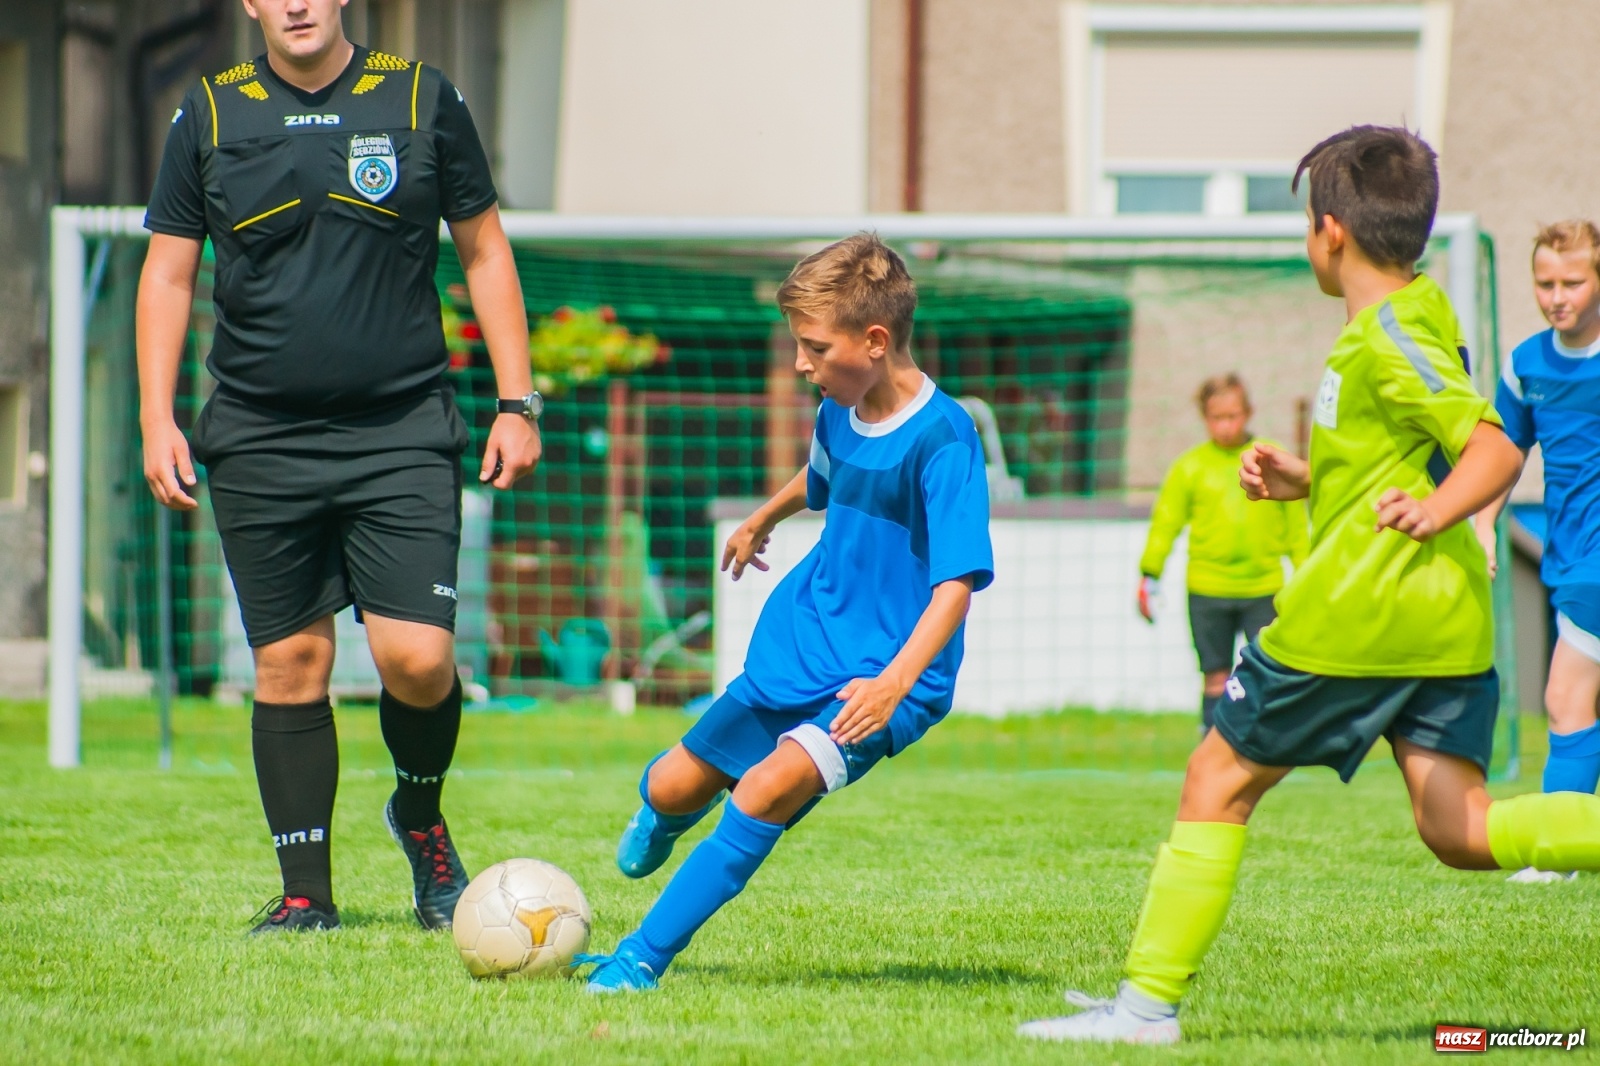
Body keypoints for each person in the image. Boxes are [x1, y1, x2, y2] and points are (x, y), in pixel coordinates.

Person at [1019, 125, 1600, 1047]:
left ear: (1331, 232)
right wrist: (1312, 480)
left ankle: (1145, 1010)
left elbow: (1488, 438)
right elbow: (1397, 450)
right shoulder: (1418, 312)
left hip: (1358, 616)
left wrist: (1440, 510)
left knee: (1215, 775)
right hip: (1440, 623)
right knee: (1461, 828)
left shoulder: (1390, 335)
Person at [137, 0, 542, 934]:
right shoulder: (207, 110)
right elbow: (168, 272)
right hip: (258, 435)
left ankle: (420, 814)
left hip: (399, 427)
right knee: (290, 662)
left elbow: (484, 249)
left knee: (418, 658)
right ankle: (306, 896)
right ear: (250, 4)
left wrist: (517, 403)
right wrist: (158, 416)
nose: (298, 4)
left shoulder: (420, 98)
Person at [574, 233, 994, 992]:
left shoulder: (945, 436)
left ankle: (640, 956)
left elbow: (956, 584)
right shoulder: (841, 406)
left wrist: (896, 684)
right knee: (672, 785)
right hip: (804, 644)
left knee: (766, 788)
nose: (800, 364)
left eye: (812, 346)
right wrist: (764, 516)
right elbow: (824, 478)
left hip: (883, 679)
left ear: (873, 341)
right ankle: (662, 817)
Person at [1475, 220, 1600, 883]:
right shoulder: (1526, 364)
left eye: (1573, 282)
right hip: (1573, 560)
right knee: (1567, 702)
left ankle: (1560, 854)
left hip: (1593, 568)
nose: (1557, 296)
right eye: (1545, 282)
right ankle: (1563, 849)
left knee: (1565, 697)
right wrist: (1481, 526)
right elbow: (1501, 454)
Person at [1138, 375, 1307, 734]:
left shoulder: (1270, 457)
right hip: (1207, 588)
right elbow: (1166, 523)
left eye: (1233, 416)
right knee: (1215, 676)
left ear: (1248, 413)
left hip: (1263, 587)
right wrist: (1149, 573)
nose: (1226, 425)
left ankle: (1266, 748)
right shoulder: (1190, 467)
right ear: (1205, 418)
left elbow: (1296, 528)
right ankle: (1212, 747)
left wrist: (1308, 575)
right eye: (1217, 418)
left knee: (1269, 671)